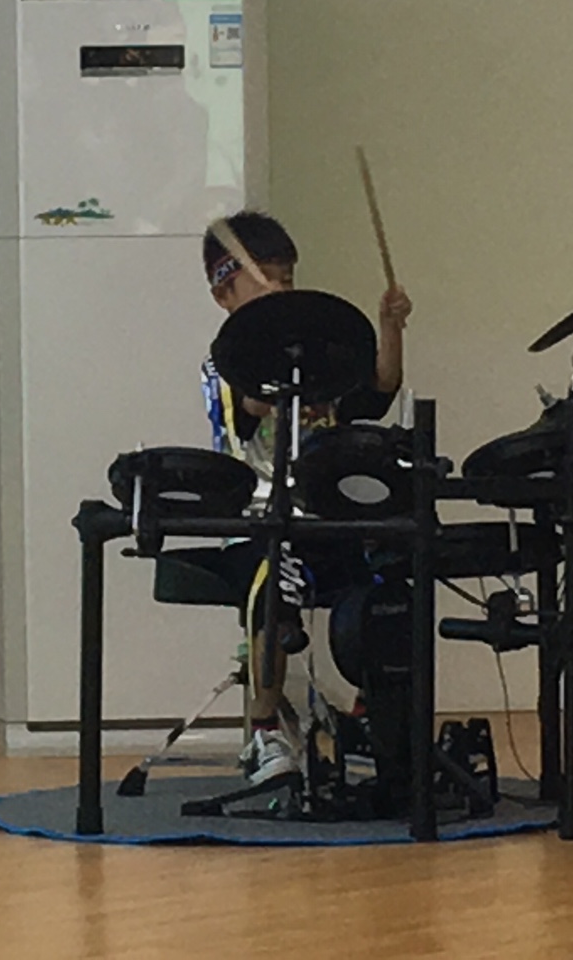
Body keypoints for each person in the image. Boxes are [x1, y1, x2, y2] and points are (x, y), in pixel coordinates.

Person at [198, 210, 412, 784]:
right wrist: (283, 367)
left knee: (391, 575)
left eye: (287, 279)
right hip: (255, 522)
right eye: (263, 279)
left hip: (322, 517)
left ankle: (371, 718)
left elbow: (377, 391)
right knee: (275, 580)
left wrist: (389, 327)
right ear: (224, 293)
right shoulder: (225, 361)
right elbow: (251, 406)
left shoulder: (315, 357)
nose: (280, 289)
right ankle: (264, 731)